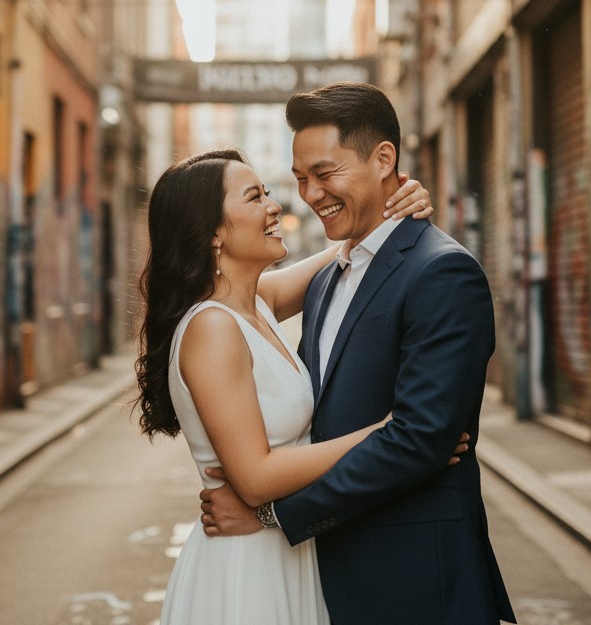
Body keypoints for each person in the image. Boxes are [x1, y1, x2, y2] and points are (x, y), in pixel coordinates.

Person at [201, 82, 516, 625]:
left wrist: (274, 514)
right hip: (324, 582)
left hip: (416, 585)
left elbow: (420, 440)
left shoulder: (442, 272)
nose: (309, 194)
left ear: (383, 159)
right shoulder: (326, 279)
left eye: (325, 174)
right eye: (300, 179)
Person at [134, 148, 451, 624]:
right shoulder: (213, 329)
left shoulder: (255, 303)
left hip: (285, 551)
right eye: (254, 197)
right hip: (245, 570)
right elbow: (256, 477)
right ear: (215, 232)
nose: (275, 205)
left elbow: (349, 253)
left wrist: (391, 209)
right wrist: (388, 433)